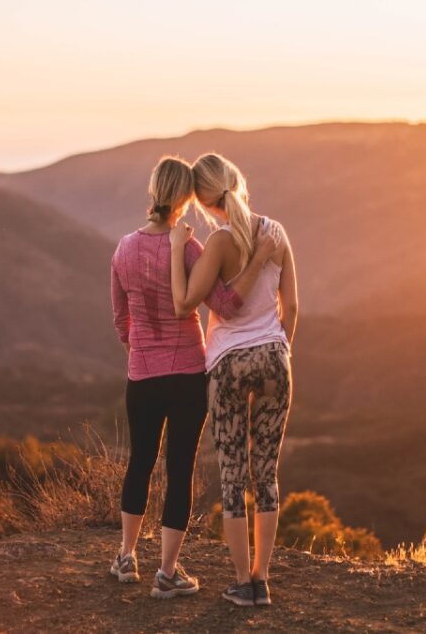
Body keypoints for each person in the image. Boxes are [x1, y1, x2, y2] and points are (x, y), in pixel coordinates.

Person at [109, 155, 277, 599]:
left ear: (152, 193)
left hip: (142, 374)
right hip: (187, 375)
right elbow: (226, 305)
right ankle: (167, 572)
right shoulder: (189, 249)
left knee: (140, 462)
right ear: (186, 199)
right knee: (179, 469)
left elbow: (120, 317)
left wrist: (139, 346)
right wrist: (258, 261)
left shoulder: (124, 248)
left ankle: (126, 557)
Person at [168, 153, 298, 607]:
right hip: (275, 360)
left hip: (228, 365)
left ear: (204, 202)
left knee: (232, 475)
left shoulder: (220, 243)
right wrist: (281, 351)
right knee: (267, 474)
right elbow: (292, 308)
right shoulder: (277, 233)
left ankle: (243, 582)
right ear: (239, 181)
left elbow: (203, 303)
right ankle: (263, 579)